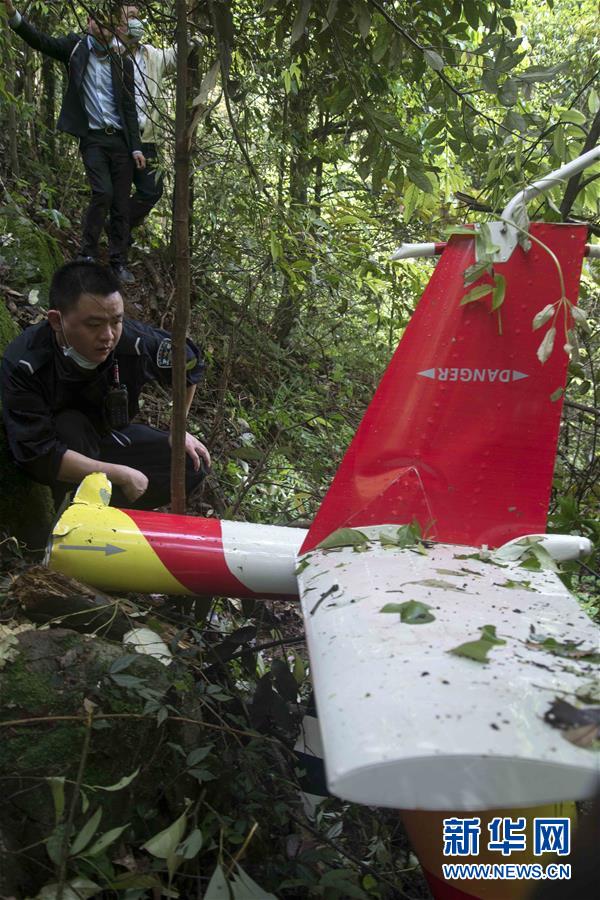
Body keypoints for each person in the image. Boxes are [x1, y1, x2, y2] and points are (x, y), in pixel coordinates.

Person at [0, 260, 211, 511]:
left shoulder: (134, 342)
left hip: (107, 436)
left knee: (192, 462)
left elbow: (189, 362)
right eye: (94, 325)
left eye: (116, 321)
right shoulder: (25, 363)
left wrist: (179, 427)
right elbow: (38, 454)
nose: (108, 336)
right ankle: (74, 519)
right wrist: (119, 474)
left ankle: (114, 519)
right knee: (71, 425)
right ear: (57, 321)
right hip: (61, 452)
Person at [2, 0, 146, 285]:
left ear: (117, 28)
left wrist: (136, 147)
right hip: (92, 137)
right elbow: (41, 41)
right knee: (102, 193)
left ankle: (118, 261)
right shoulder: (76, 48)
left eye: (106, 23)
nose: (98, 26)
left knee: (120, 204)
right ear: (89, 22)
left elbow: (129, 109)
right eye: (94, 19)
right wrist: (13, 16)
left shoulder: (123, 63)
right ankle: (87, 254)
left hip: (119, 140)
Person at [115, 5, 179, 239]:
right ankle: (118, 244)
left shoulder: (151, 55)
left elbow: (174, 56)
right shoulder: (110, 54)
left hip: (148, 137)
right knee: (116, 193)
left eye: (138, 18)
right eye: (131, 17)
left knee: (151, 190)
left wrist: (192, 39)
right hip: (120, 137)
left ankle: (116, 227)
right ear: (118, 23)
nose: (137, 22)